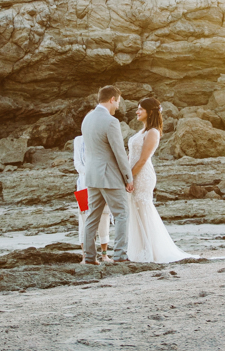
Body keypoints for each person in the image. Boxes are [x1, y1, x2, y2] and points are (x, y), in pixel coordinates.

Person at [127, 97, 196, 263]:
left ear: (149, 112)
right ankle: (141, 250)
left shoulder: (153, 132)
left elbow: (143, 159)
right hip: (133, 173)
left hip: (142, 176)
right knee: (135, 210)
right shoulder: (142, 131)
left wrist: (129, 178)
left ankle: (151, 251)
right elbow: (131, 156)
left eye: (140, 109)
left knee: (143, 209)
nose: (137, 112)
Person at [80, 85, 134, 264]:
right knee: (122, 214)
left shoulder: (87, 119)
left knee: (92, 217)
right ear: (112, 99)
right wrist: (128, 177)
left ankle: (89, 257)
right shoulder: (111, 121)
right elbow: (119, 152)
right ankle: (120, 255)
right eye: (118, 101)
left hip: (92, 176)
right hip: (109, 176)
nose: (118, 105)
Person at [73, 133, 113, 263]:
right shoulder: (79, 140)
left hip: (103, 183)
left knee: (104, 217)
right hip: (84, 185)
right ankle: (85, 255)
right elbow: (77, 163)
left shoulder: (103, 137)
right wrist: (90, 173)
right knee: (84, 219)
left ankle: (104, 254)